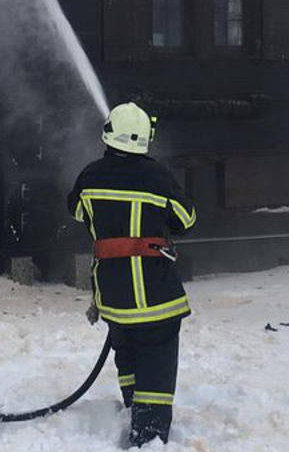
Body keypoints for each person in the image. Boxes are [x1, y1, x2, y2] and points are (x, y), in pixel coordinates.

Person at [68, 102, 197, 447]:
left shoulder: (90, 176)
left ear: (109, 134)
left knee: (127, 354)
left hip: (113, 298)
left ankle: (132, 411)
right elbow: (186, 220)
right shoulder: (158, 177)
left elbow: (79, 212)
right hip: (155, 297)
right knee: (156, 356)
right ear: (146, 139)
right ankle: (150, 435)